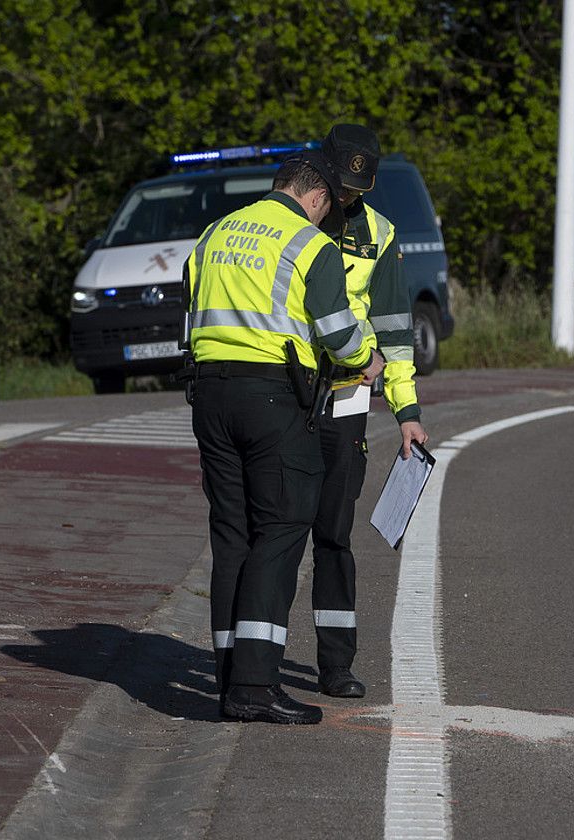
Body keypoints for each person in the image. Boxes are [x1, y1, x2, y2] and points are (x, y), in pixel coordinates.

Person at [183, 149, 384, 725]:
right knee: (285, 525)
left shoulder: (214, 233)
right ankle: (254, 685)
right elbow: (340, 335)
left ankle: (228, 674)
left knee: (233, 535)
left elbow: (189, 316)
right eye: (328, 208)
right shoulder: (309, 244)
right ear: (317, 196)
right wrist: (368, 361)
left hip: (209, 396)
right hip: (271, 397)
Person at [309, 124, 428, 699]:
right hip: (288, 392)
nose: (350, 196)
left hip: (349, 395)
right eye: (342, 184)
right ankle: (256, 660)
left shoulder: (379, 234)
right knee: (278, 532)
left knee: (335, 532)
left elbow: (396, 334)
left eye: (360, 187)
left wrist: (406, 412)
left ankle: (335, 664)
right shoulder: (294, 219)